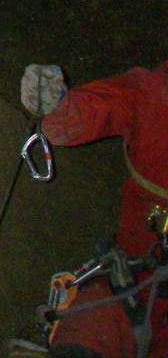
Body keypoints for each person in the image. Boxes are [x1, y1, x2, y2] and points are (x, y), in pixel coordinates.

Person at [21, 60, 168, 357]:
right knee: (84, 337)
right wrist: (58, 103)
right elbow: (104, 105)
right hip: (132, 283)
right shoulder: (156, 93)